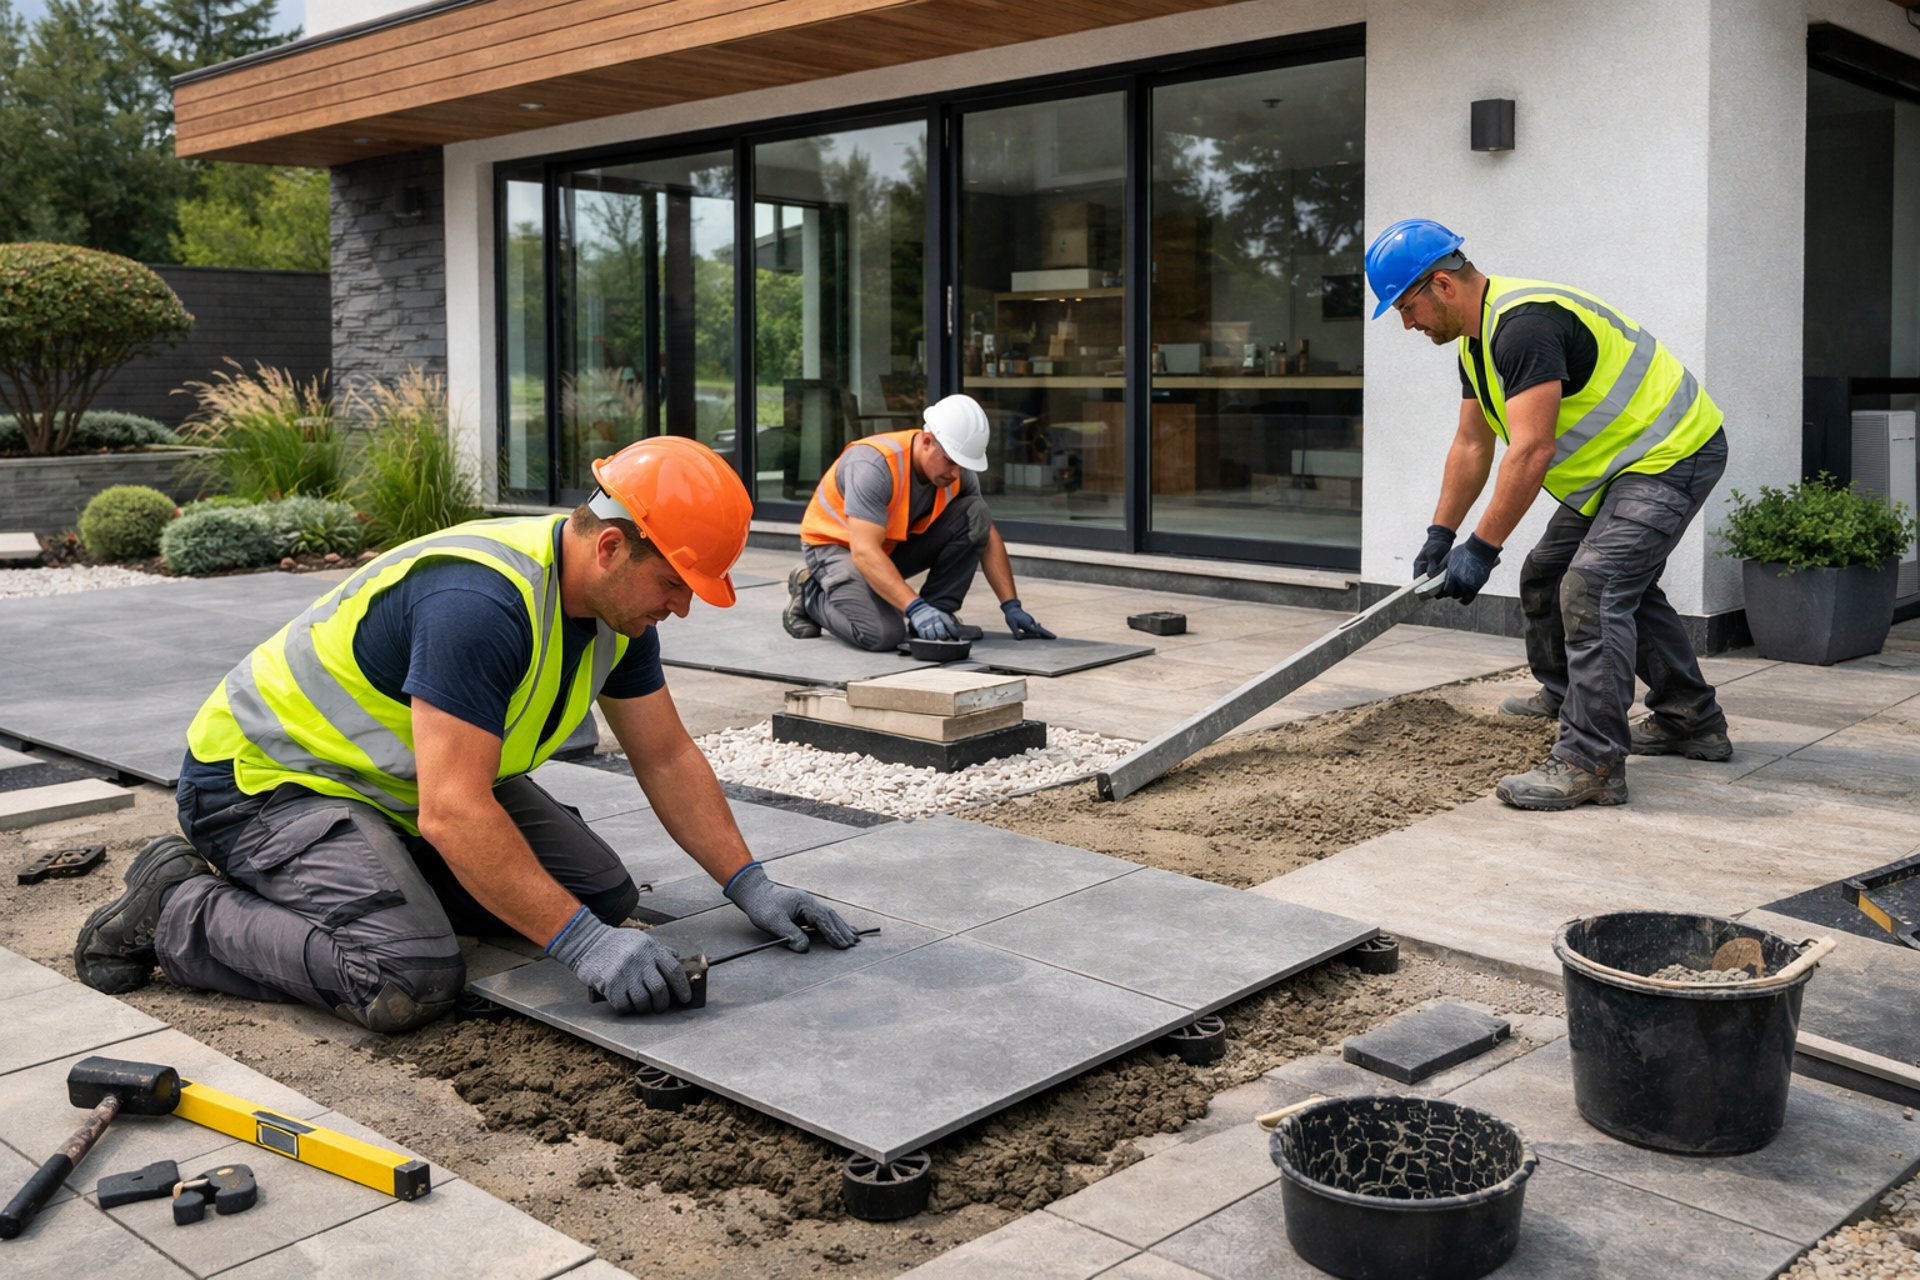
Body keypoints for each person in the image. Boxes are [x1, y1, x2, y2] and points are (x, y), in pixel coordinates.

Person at [74, 437, 859, 1029]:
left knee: (602, 894)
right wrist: (583, 948)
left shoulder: (619, 611)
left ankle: (379, 873)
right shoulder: (480, 604)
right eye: (674, 584)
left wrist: (749, 883)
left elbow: (665, 755)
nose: (681, 607)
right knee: (406, 974)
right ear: (612, 546)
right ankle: (177, 906)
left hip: (398, 786)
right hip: (266, 781)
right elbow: (454, 812)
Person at [1367, 218, 1732, 811]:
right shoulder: (1478, 343)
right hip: (1616, 471)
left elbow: (1530, 449)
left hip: (1672, 452)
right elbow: (1472, 444)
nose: (1407, 324)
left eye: (1406, 308)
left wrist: (1482, 548)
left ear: (1441, 284)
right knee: (1549, 574)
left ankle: (1591, 762)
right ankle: (1677, 715)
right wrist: (1442, 534)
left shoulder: (1524, 327)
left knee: (1593, 587)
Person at [783, 393, 1055, 652]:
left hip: (887, 547)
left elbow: (986, 533)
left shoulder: (955, 471)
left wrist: (1011, 605)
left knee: (976, 513)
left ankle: (939, 615)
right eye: (950, 460)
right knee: (882, 634)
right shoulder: (874, 465)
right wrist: (914, 607)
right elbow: (864, 552)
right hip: (836, 549)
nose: (956, 472)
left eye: (962, 464)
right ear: (927, 441)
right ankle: (811, 593)